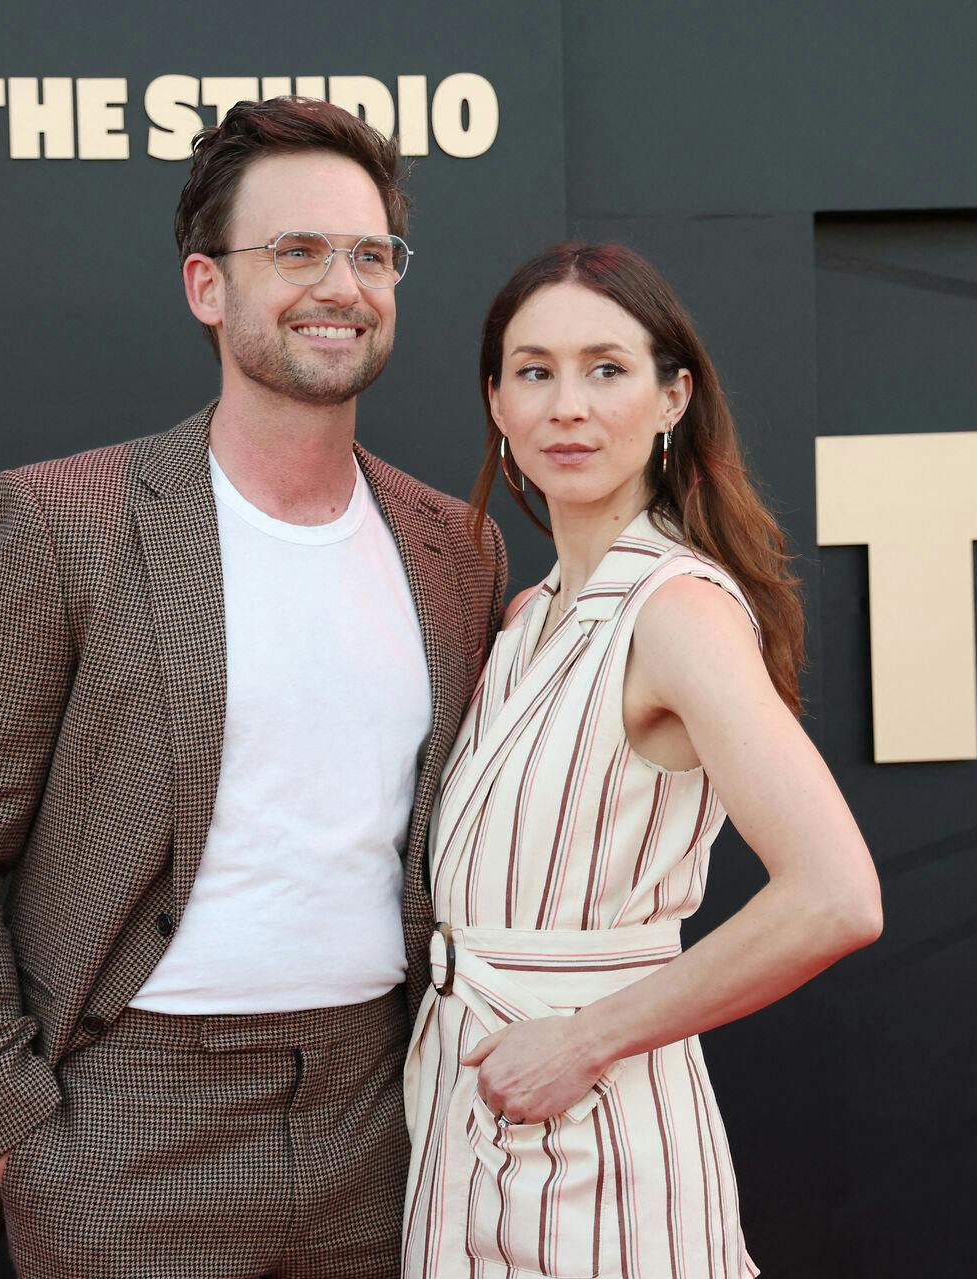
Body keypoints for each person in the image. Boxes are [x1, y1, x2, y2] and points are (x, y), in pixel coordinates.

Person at [0, 96, 506, 1279]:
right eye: (298, 249)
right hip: (124, 1121)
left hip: (383, 1120)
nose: (342, 285)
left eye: (372, 254)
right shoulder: (66, 521)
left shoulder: (454, 549)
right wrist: (16, 1134)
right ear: (207, 286)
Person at [401, 243, 882, 1278]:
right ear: (496, 402)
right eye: (534, 371)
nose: (567, 406)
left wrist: (583, 1040)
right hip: (464, 1118)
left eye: (607, 369)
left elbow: (836, 896)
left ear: (674, 397)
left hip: (601, 1139)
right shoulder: (524, 618)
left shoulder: (677, 611)